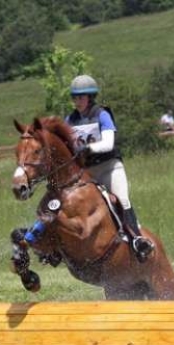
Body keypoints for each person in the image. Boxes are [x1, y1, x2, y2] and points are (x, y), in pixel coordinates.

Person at [64, 75, 155, 262]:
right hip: (86, 173)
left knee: (121, 199)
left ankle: (137, 239)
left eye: (81, 97)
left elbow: (108, 143)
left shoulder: (102, 114)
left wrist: (87, 148)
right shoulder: (70, 119)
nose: (77, 101)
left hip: (109, 168)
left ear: (90, 97)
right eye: (75, 97)